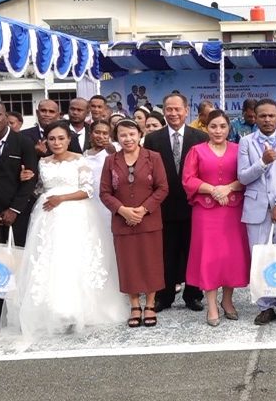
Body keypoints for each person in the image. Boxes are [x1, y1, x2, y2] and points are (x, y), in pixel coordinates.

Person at [5, 121, 125, 338]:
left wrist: (61, 198)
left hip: (75, 213)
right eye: (52, 139)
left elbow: (87, 190)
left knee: (74, 258)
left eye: (61, 138)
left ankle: (78, 309)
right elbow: (38, 188)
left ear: (69, 140)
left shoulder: (80, 160)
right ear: (46, 141)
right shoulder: (42, 162)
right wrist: (26, 178)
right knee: (50, 259)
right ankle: (55, 309)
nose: (57, 142)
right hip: (47, 215)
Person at [182, 109, 250, 326]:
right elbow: (188, 179)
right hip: (206, 212)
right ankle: (211, 305)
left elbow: (248, 176)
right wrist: (213, 190)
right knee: (209, 256)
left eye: (222, 126)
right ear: (206, 128)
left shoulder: (239, 149)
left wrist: (228, 188)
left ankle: (227, 300)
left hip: (233, 210)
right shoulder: (196, 151)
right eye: (213, 126)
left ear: (229, 128)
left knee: (231, 256)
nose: (218, 131)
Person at [143, 93, 209, 312]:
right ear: (164, 111)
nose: (173, 113)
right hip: (164, 206)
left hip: (194, 205)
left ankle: (193, 294)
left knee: (193, 251)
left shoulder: (200, 137)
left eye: (177, 109)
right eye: (169, 109)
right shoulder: (153, 139)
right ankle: (165, 295)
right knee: (166, 252)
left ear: (186, 110)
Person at [100, 119, 169, 327]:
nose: (128, 138)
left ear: (140, 135)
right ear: (117, 137)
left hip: (149, 220)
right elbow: (104, 192)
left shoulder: (153, 157)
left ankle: (150, 304)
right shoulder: (110, 161)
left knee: (151, 263)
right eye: (123, 135)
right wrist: (122, 210)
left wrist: (143, 209)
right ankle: (134, 305)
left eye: (132, 134)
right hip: (122, 222)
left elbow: (162, 188)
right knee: (128, 264)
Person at [238, 99, 276, 325]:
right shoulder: (246, 142)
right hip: (256, 208)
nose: (267, 120)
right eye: (262, 116)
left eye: (272, 115)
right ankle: (264, 306)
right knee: (260, 258)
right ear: (255, 117)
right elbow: (243, 177)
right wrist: (262, 163)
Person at [0, 100, 38, 335]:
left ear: (6, 116)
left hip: (18, 216)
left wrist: (15, 209)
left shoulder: (23, 142)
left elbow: (31, 179)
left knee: (21, 262)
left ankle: (24, 312)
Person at [83, 119, 117, 228]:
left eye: (105, 133)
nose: (101, 136)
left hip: (109, 198)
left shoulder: (114, 151)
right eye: (97, 132)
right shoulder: (85, 155)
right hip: (90, 199)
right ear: (90, 134)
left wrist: (112, 151)